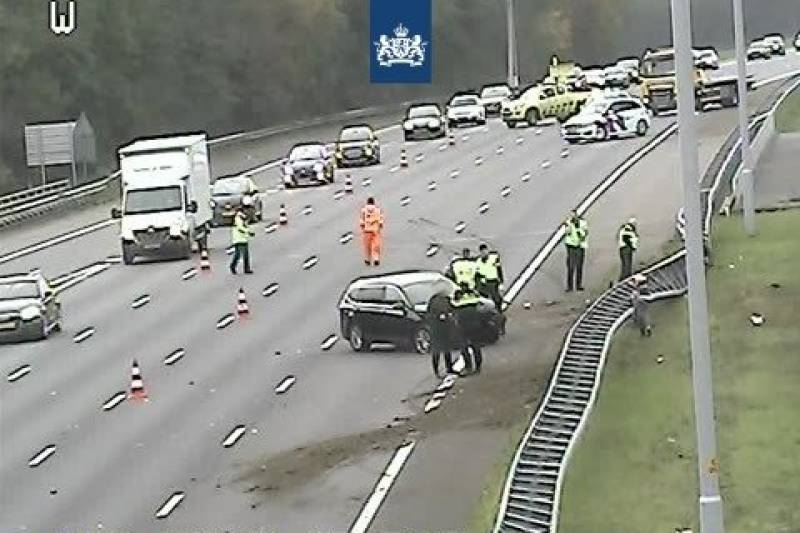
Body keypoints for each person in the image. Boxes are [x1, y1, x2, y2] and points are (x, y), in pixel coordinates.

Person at [451, 283, 484, 375]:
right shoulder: (473, 293)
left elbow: (453, 304)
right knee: (475, 345)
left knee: (465, 346)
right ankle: (477, 367)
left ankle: (469, 367)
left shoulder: (458, 294)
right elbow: (480, 303)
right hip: (474, 322)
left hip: (464, 323)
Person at [475, 243, 506, 334]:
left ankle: (500, 326)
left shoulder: (494, 258)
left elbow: (499, 270)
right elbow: (477, 275)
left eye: (485, 250)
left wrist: (501, 283)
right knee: (484, 306)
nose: (484, 253)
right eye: (482, 251)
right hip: (484, 285)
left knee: (497, 303)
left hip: (493, 283)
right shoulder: (478, 262)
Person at [426, 290, 456, 378]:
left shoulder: (446, 300)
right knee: (437, 350)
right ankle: (437, 370)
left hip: (445, 327)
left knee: (446, 349)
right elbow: (429, 314)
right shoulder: (434, 301)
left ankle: (449, 368)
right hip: (436, 328)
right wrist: (437, 317)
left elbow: (451, 310)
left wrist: (449, 316)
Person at [564, 210, 588, 292]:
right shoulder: (568, 222)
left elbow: (584, 233)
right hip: (571, 246)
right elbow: (567, 232)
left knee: (579, 266)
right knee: (570, 267)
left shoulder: (583, 223)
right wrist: (569, 226)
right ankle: (569, 286)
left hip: (579, 246)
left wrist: (578, 229)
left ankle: (579, 285)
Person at [359, 197, 384, 266]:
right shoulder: (377, 210)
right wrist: (380, 226)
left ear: (367, 202)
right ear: (373, 202)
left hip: (367, 230)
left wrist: (362, 226)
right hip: (375, 229)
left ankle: (368, 260)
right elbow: (381, 219)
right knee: (376, 245)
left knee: (367, 246)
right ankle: (376, 259)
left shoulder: (363, 210)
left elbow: (361, 220)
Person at [230, 208, 255, 275]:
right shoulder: (238, 218)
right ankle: (235, 267)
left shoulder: (243, 218)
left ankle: (242, 268)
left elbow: (246, 226)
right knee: (241, 254)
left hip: (242, 238)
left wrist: (250, 231)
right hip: (239, 239)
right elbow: (240, 228)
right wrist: (249, 232)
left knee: (242, 254)